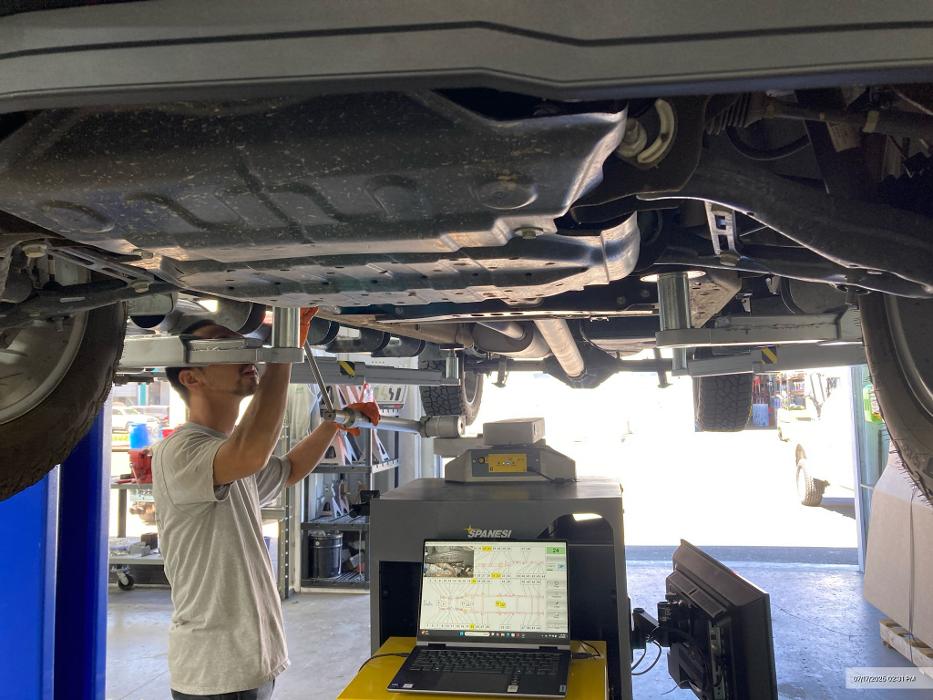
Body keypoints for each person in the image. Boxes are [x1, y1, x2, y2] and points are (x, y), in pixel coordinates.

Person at [152, 309, 380, 699]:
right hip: (214, 672)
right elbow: (252, 452)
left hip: (251, 664)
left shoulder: (225, 456)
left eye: (241, 344)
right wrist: (283, 351)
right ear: (191, 377)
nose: (245, 353)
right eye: (224, 347)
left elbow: (288, 470)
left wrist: (334, 424)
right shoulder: (181, 451)